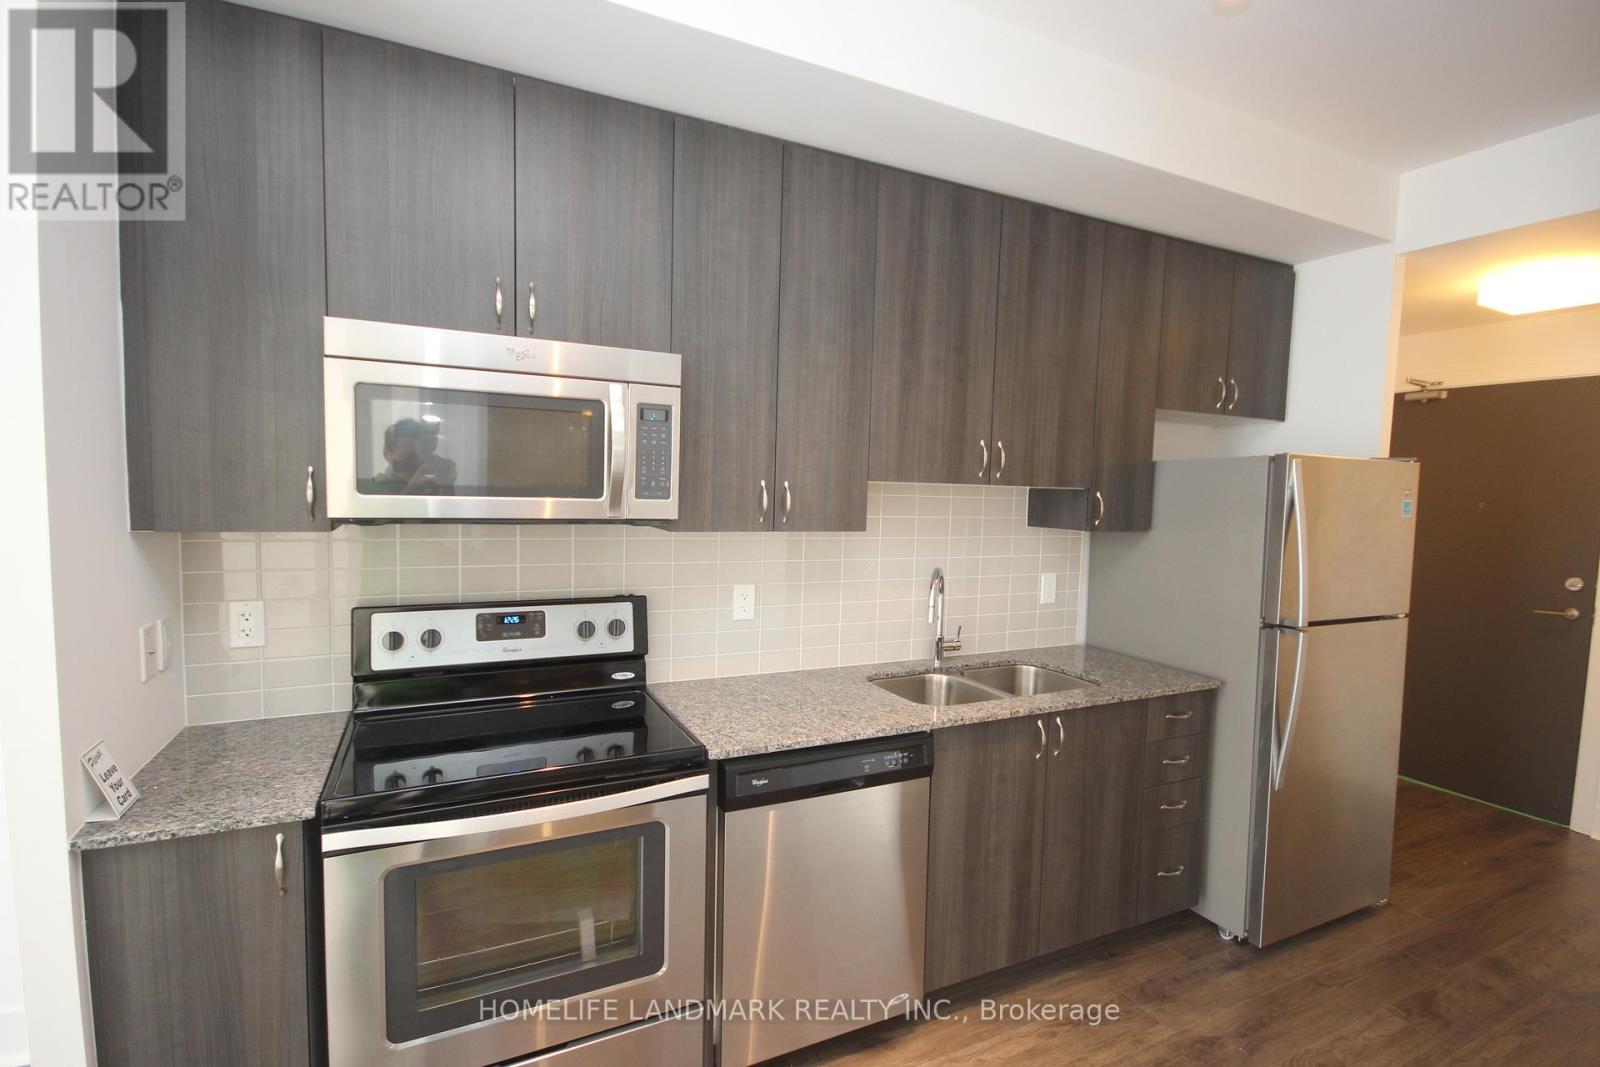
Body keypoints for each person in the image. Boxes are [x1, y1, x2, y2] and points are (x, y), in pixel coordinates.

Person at [371, 417, 457, 495]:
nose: (414, 464)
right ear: (387, 454)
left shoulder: (430, 482)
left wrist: (447, 485)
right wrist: (411, 491)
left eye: (418, 458)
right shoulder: (372, 488)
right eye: (407, 457)